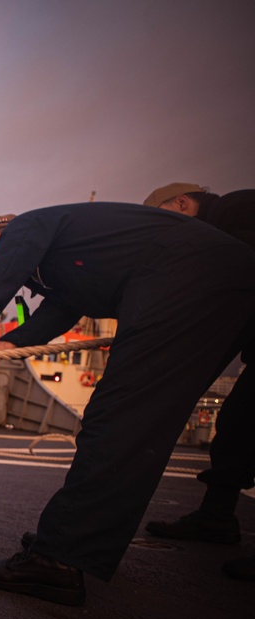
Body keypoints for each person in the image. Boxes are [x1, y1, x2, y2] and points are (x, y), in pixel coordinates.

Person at [0, 204, 255, 605]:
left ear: (4, 230)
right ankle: (214, 515)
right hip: (232, 280)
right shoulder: (67, 267)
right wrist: (5, 344)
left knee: (121, 416)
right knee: (243, 415)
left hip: (185, 278)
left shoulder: (27, 225)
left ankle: (59, 558)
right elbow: (60, 312)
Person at [142, 183, 255, 582]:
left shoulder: (235, 212)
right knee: (237, 426)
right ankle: (217, 517)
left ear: (184, 203)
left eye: (167, 222)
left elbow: (233, 297)